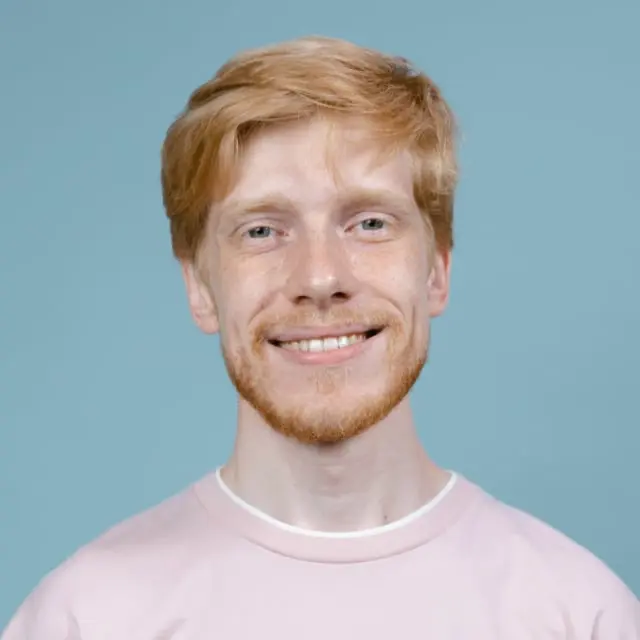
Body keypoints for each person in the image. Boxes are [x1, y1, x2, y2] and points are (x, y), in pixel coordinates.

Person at [2, 35, 638, 640]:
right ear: (199, 286)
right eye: (261, 231)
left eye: (369, 222)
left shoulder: (580, 615)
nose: (320, 278)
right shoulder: (86, 618)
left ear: (437, 271)